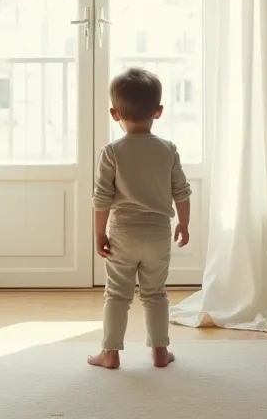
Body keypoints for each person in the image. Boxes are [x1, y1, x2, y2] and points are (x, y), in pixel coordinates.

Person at [87, 67, 191, 370]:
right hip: (158, 233)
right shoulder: (167, 149)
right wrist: (183, 224)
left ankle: (110, 353)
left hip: (123, 233)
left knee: (117, 295)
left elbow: (102, 199)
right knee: (155, 293)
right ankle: (160, 351)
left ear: (113, 113)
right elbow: (182, 192)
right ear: (158, 112)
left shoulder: (111, 152)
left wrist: (99, 234)